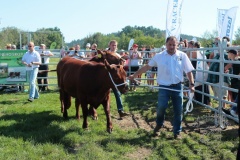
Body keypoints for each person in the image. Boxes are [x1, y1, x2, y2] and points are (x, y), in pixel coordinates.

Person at [129, 36, 195, 139]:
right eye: (170, 44)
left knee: (178, 110)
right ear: (166, 44)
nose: (172, 47)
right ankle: (159, 125)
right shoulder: (159, 56)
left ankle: (177, 132)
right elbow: (147, 67)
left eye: (174, 45)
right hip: (164, 87)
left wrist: (192, 84)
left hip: (177, 87)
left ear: (177, 45)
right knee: (161, 107)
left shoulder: (182, 56)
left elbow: (189, 71)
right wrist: (134, 75)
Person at [108, 40, 129, 118]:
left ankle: (120, 110)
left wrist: (122, 62)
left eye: (115, 45)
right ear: (109, 45)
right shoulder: (106, 54)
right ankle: (93, 109)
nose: (114, 47)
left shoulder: (118, 55)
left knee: (117, 93)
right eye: (112, 45)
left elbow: (121, 67)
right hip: (107, 77)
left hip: (115, 78)